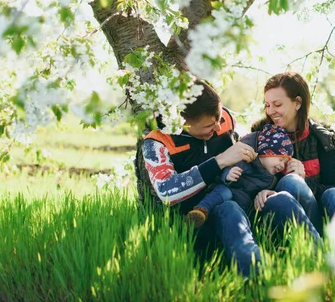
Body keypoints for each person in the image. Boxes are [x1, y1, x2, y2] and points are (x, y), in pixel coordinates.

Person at [135, 80, 319, 277]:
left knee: (282, 199)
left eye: (219, 117)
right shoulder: (157, 143)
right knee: (230, 209)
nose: (217, 127)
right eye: (209, 125)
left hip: (244, 201)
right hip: (201, 216)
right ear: (184, 123)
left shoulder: (225, 120)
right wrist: (219, 161)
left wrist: (267, 187)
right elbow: (166, 192)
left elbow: (259, 155)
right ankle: (259, 276)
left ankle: (321, 260)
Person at [251, 72, 335, 235]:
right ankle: (318, 245)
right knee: (291, 182)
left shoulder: (323, 138)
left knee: (334, 194)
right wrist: (270, 190)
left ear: (297, 103)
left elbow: (333, 188)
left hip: (316, 210)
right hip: (279, 212)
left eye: (277, 104)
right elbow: (249, 180)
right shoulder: (259, 134)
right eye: (267, 105)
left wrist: (304, 180)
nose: (271, 111)